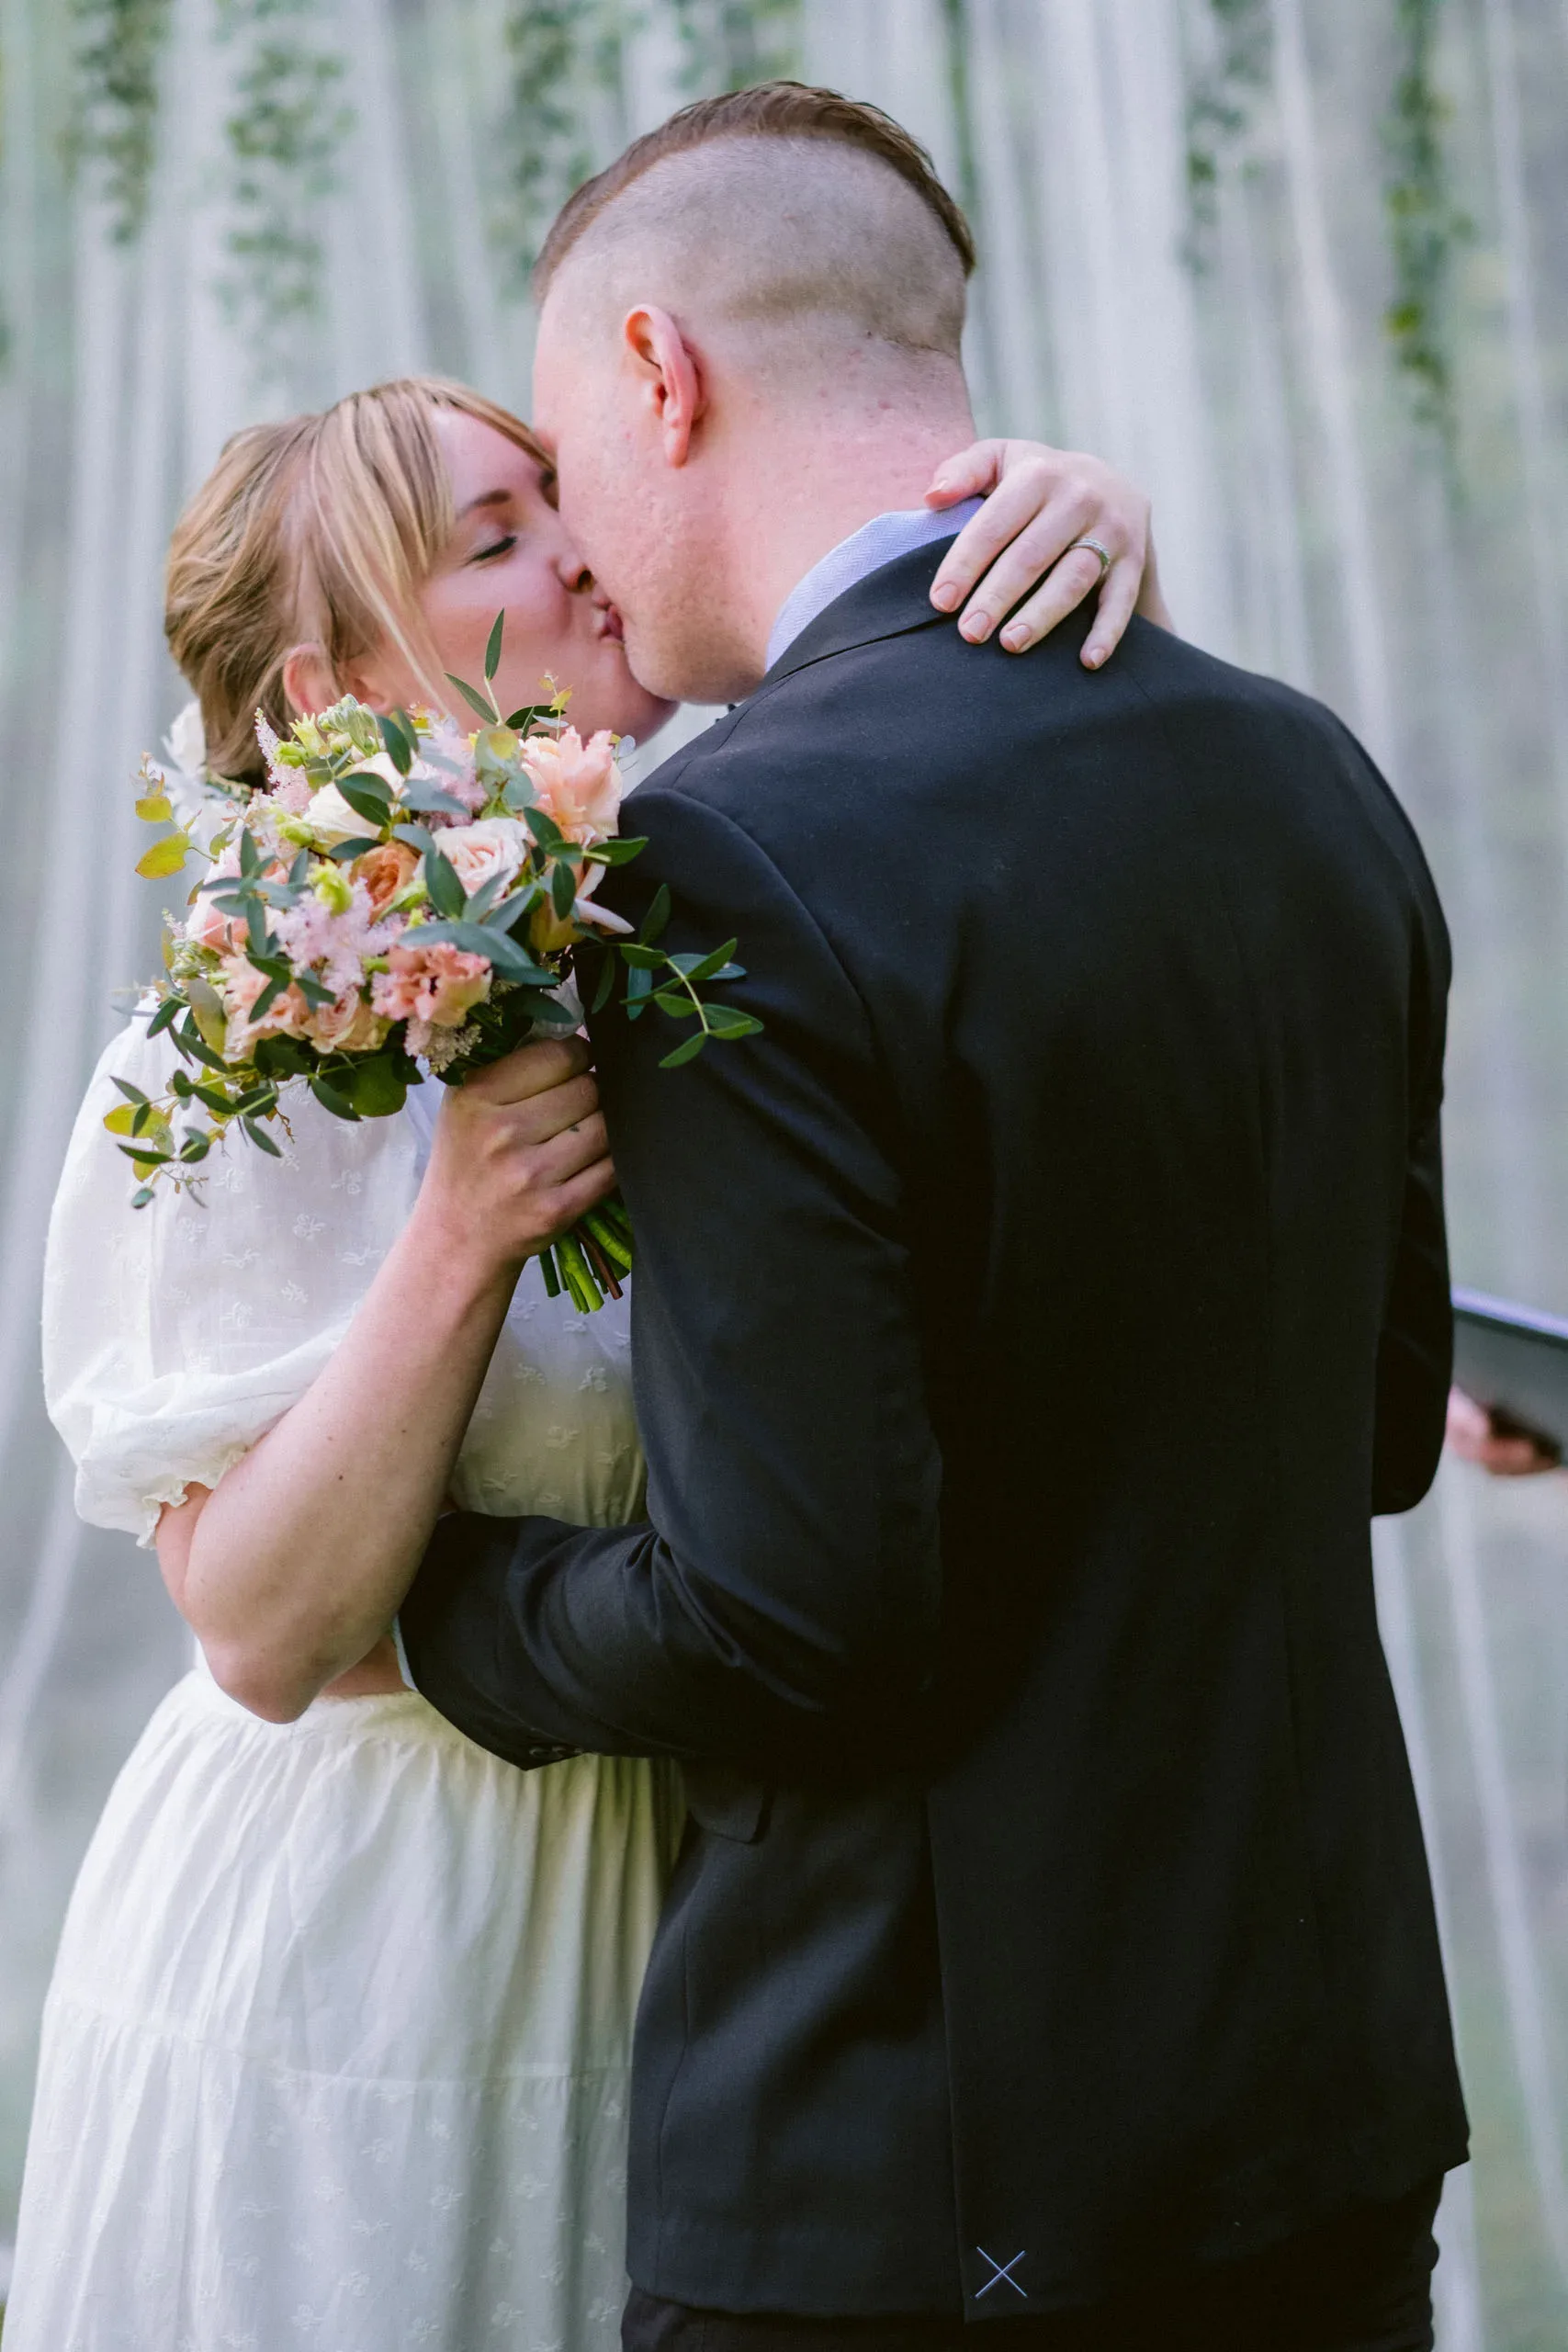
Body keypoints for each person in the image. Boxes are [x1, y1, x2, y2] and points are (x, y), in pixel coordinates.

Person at [248, 85, 1461, 2350]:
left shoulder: (719, 862)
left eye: (561, 459)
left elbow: (791, 1611)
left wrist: (432, 1617)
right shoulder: (1312, 774)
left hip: (912, 2184)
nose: (582, 557)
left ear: (656, 373)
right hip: (1317, 2136)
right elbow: (1382, 1423)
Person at [7, 366, 1160, 2350]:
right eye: (493, 538)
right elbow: (267, 1634)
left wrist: (1051, 517)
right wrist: (457, 1233)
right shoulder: (222, 1076)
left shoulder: (711, 944)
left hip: (709, 1892)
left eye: (560, 496)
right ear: (318, 701)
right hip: (365, 1929)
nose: (580, 546)